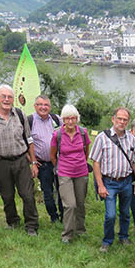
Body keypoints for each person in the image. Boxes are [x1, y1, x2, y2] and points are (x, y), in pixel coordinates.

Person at [0, 84, 39, 236]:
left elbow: (29, 139)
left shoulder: (20, 115)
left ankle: (31, 225)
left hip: (21, 160)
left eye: (9, 97)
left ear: (13, 99)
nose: (6, 99)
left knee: (27, 194)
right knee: (7, 195)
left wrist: (33, 162)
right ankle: (12, 221)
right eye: (3, 96)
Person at [90, 107, 135, 252]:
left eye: (125, 120)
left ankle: (123, 236)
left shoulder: (131, 138)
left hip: (126, 181)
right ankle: (107, 240)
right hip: (109, 182)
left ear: (128, 122)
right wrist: (100, 185)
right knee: (110, 215)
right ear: (113, 119)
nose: (122, 122)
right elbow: (96, 162)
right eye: (119, 118)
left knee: (125, 212)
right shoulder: (102, 137)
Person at [51, 104, 90, 244]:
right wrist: (60, 167)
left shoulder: (83, 132)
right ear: (63, 119)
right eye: (67, 119)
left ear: (77, 119)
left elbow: (86, 151)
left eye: (73, 118)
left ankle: (80, 229)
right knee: (70, 204)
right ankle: (67, 235)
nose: (70, 121)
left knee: (80, 203)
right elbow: (53, 155)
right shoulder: (58, 134)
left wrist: (81, 163)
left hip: (81, 172)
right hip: (64, 173)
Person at [30, 95, 61, 224]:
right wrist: (32, 163)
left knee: (62, 190)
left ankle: (65, 216)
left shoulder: (56, 119)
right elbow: (25, 142)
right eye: (40, 104)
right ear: (35, 106)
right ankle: (54, 217)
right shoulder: (29, 121)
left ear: (50, 106)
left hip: (59, 163)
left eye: (46, 105)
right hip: (42, 164)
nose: (43, 107)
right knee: (47, 192)